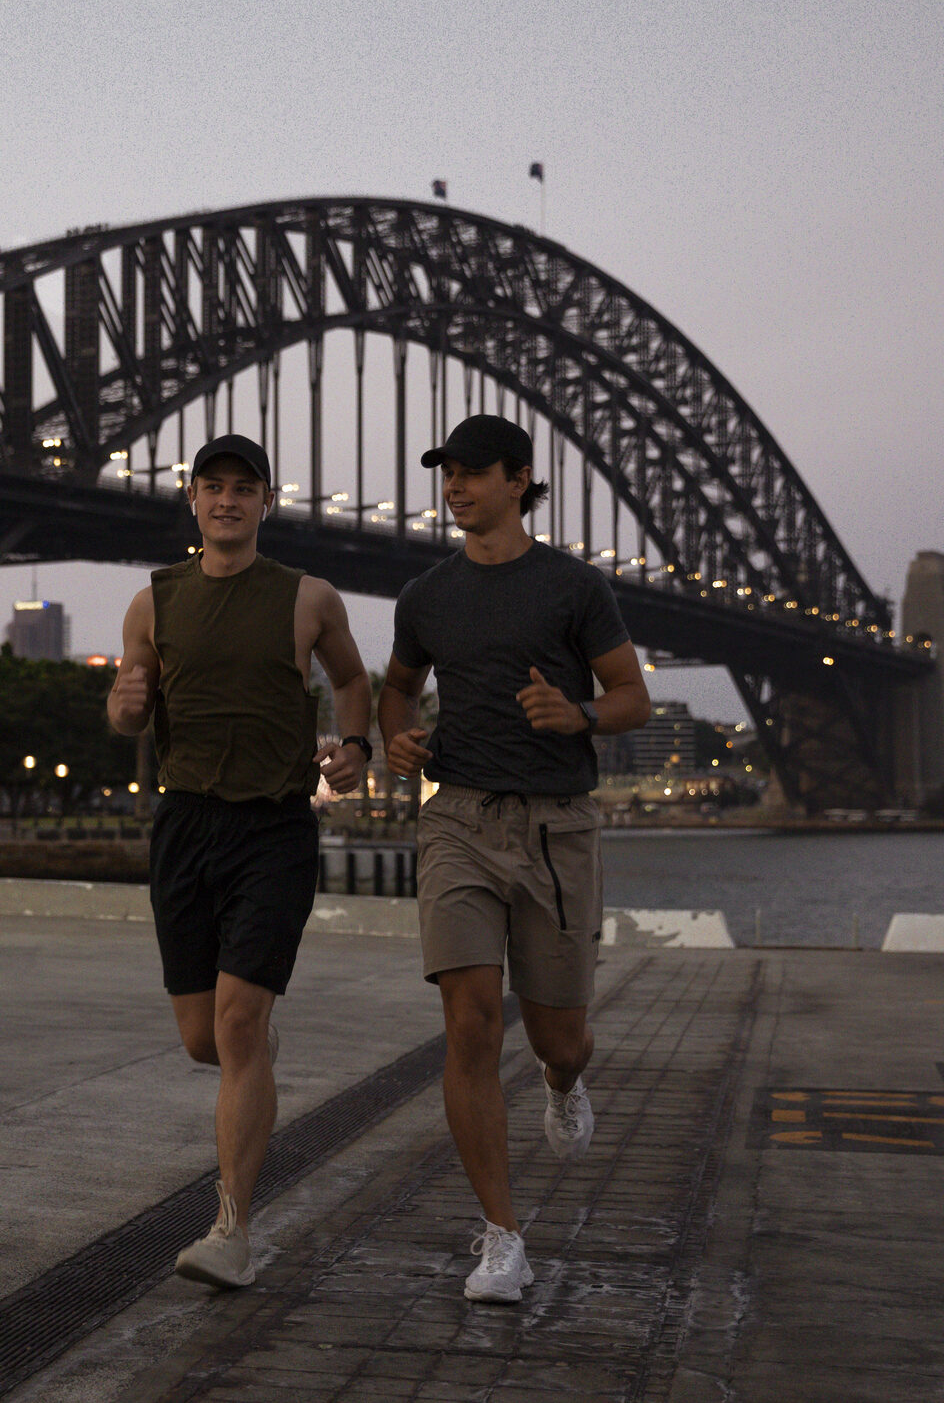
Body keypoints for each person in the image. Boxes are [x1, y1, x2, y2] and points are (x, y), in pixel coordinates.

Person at [377, 414, 651, 1304]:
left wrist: (577, 716)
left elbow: (633, 697)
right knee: (467, 1023)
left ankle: (562, 1080)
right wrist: (395, 739)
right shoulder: (425, 594)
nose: (454, 486)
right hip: (455, 817)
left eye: (472, 472)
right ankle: (501, 1238)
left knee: (557, 1036)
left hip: (554, 828)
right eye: (445, 471)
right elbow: (394, 686)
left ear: (519, 479)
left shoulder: (572, 588)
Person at [107, 433, 373, 1289]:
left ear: (266, 501)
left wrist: (357, 746)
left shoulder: (308, 598)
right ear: (190, 498)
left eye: (243, 488)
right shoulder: (151, 602)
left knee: (235, 1025)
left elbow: (352, 682)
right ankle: (249, 1053)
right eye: (211, 486)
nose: (227, 500)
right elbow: (128, 714)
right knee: (202, 1040)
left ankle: (230, 1230)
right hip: (184, 826)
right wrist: (120, 704)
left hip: (272, 828)